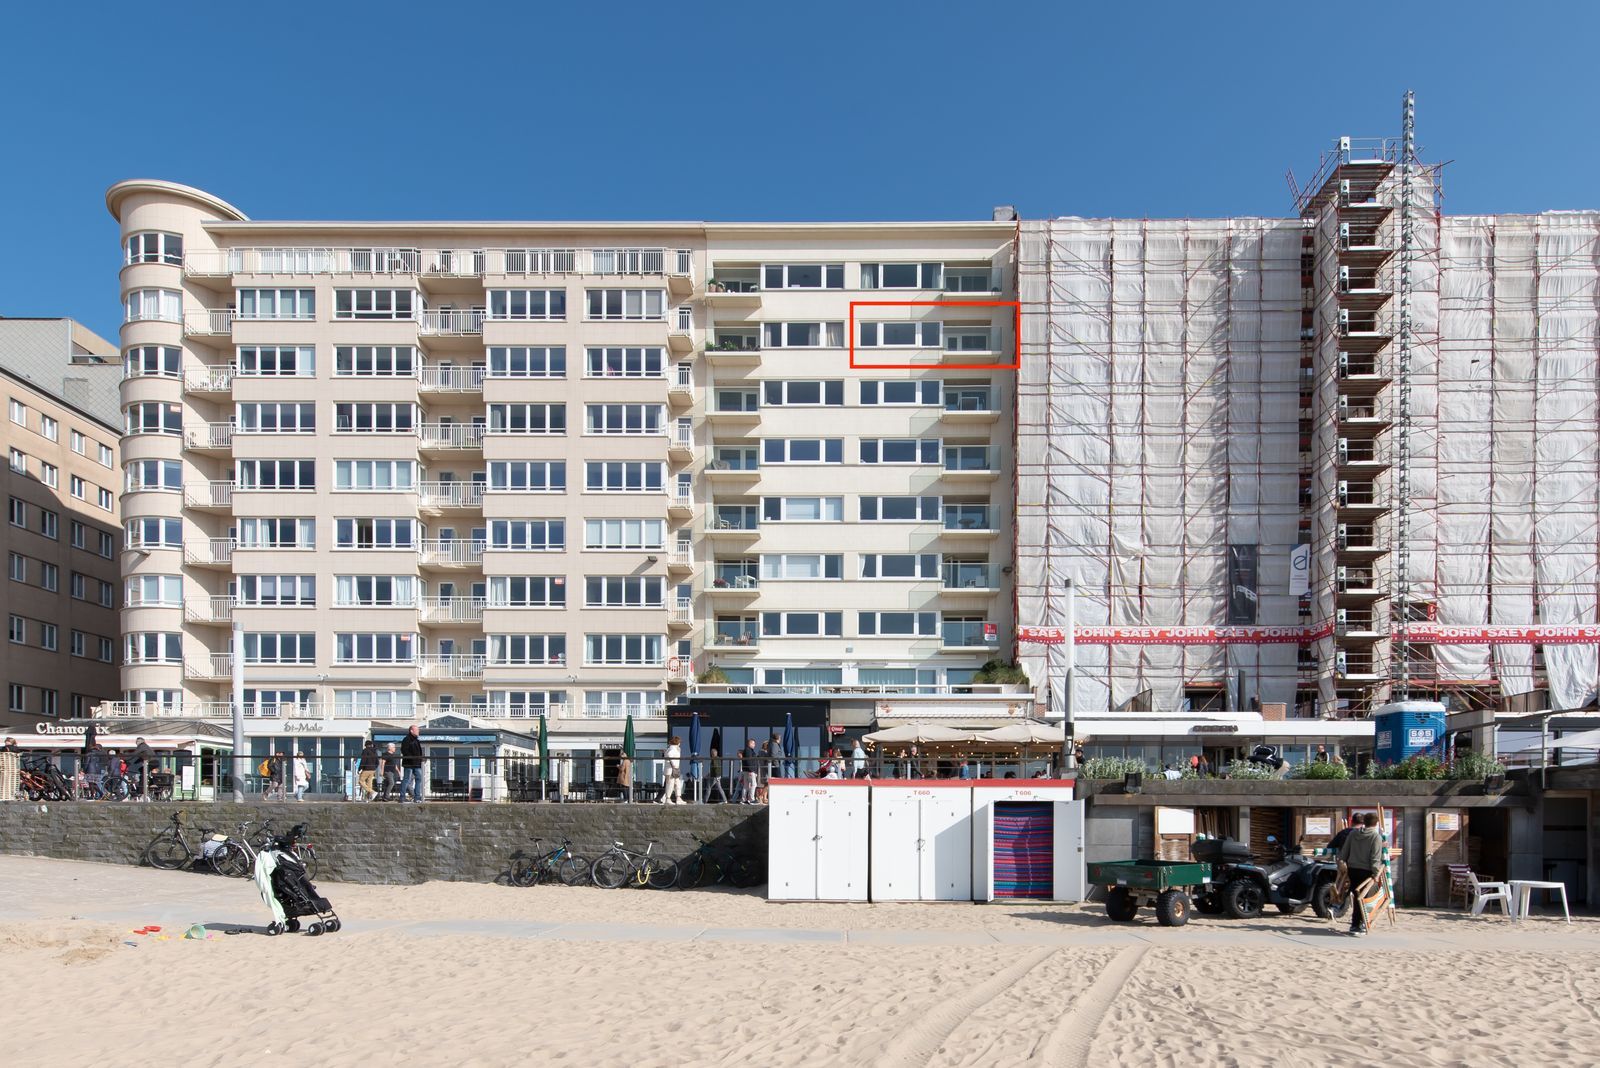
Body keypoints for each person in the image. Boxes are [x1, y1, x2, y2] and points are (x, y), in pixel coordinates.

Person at [1338, 812, 1386, 937]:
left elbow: (1345, 851)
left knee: (1357, 895)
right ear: (1376, 824)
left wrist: (1342, 863)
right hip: (1367, 871)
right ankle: (1358, 924)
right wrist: (1376, 874)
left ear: (1364, 822)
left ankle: (1356, 923)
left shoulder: (1353, 833)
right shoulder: (1375, 836)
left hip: (1353, 869)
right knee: (1364, 898)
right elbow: (1375, 858)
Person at [399, 725, 425, 803]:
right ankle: (402, 797)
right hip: (409, 763)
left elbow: (418, 751)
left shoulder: (416, 740)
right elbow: (404, 751)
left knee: (419, 779)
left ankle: (417, 797)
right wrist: (413, 758)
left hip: (417, 764)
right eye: (417, 730)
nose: (418, 731)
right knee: (407, 779)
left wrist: (420, 758)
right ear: (411, 731)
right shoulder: (406, 739)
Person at [660, 736, 684, 805]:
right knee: (670, 784)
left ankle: (678, 798)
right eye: (679, 742)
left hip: (673, 769)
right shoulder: (672, 749)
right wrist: (674, 764)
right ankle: (668, 798)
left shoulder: (673, 748)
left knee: (677, 784)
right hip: (671, 769)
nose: (680, 743)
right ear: (677, 742)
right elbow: (670, 755)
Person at [740, 739, 759, 803]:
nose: (754, 745)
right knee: (754, 784)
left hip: (746, 770)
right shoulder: (748, 750)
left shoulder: (747, 750)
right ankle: (751, 799)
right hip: (749, 771)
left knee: (746, 785)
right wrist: (752, 770)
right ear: (749, 743)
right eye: (753, 743)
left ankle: (744, 799)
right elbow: (749, 761)